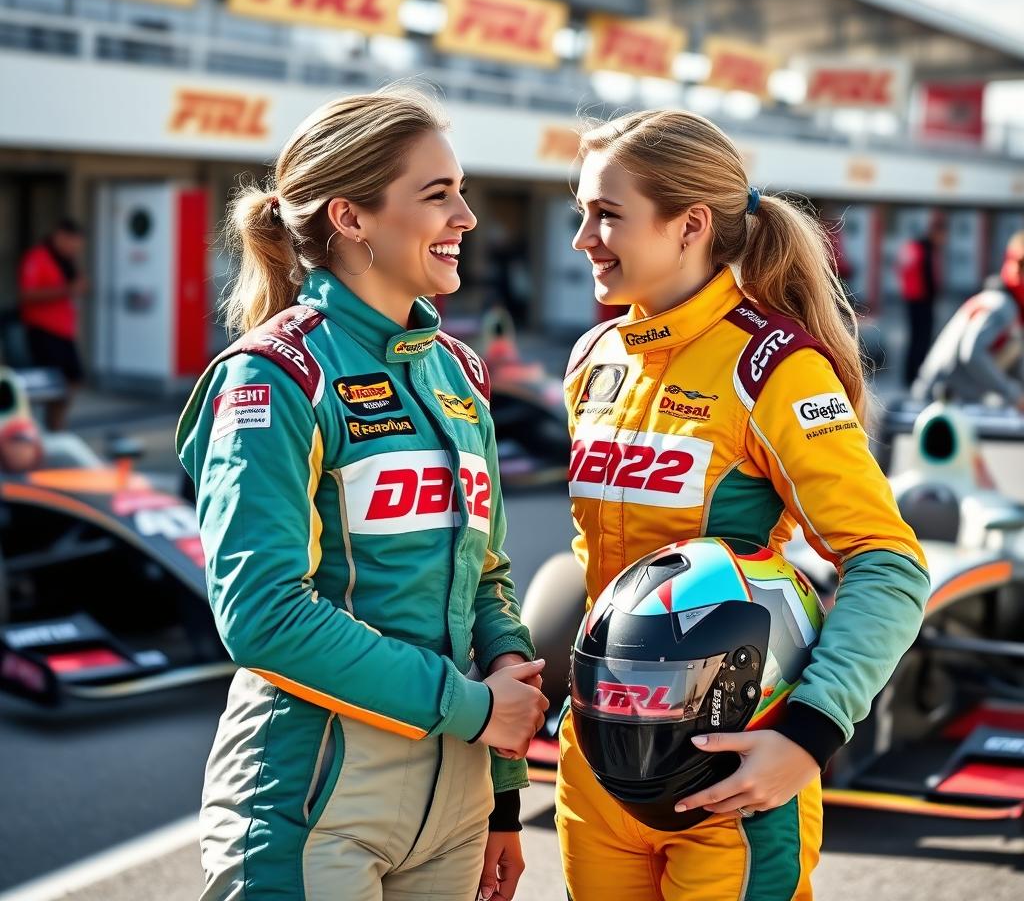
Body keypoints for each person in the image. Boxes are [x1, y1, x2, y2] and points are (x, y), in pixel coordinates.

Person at [176, 89, 547, 901]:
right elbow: (264, 613)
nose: (467, 216)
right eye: (437, 194)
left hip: (456, 801)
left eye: (461, 189)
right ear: (351, 217)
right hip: (311, 800)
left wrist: (504, 798)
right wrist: (471, 709)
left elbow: (485, 576)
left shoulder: (459, 371)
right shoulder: (274, 376)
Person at [556, 108, 929, 900]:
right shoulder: (593, 358)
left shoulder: (771, 367)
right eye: (581, 213)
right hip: (596, 763)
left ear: (690, 224)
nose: (583, 238)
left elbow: (890, 562)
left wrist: (809, 734)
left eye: (607, 215)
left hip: (732, 768)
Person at [911, 230, 1024, 409]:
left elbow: (1014, 362)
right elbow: (972, 352)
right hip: (940, 402)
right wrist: (1013, 394)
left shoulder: (997, 301)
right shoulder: (1001, 305)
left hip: (943, 397)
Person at [17, 218, 87, 430]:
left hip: (64, 332)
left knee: (72, 379)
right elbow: (27, 295)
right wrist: (68, 290)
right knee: (48, 385)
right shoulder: (38, 258)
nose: (74, 249)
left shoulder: (66, 259)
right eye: (71, 242)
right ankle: (34, 426)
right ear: (60, 236)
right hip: (43, 331)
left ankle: (55, 424)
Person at [897, 214, 946, 386]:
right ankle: (917, 377)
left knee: (914, 339)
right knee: (922, 340)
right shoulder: (926, 250)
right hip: (922, 301)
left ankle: (909, 376)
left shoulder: (914, 247)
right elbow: (929, 277)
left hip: (912, 299)